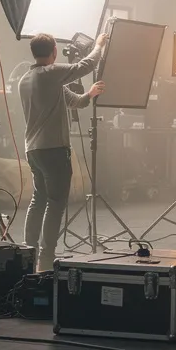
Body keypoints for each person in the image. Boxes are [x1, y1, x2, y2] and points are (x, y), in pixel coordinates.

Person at [19, 31, 107, 272]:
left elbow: (75, 101)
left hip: (33, 151)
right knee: (56, 203)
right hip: (54, 151)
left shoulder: (26, 79)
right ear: (54, 51)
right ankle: (46, 261)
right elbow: (85, 65)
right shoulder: (51, 73)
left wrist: (89, 95)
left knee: (39, 201)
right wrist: (99, 45)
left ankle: (28, 255)